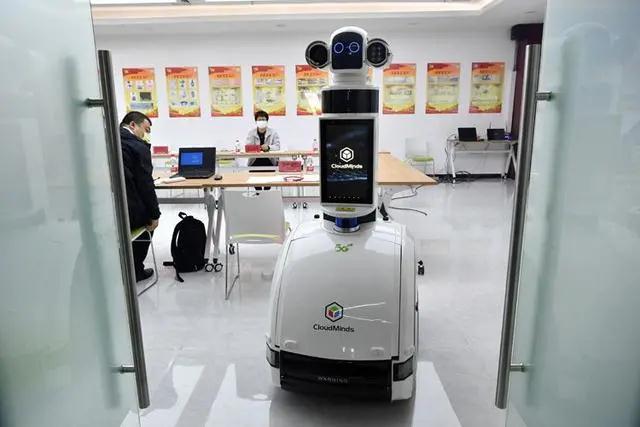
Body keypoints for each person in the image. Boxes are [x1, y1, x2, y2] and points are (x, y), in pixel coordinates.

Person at [120, 111, 160, 282]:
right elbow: (145, 185)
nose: (146, 134)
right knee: (148, 225)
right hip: (130, 209)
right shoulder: (137, 147)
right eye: (146, 129)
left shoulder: (109, 139)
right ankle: (136, 271)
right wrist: (155, 215)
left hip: (111, 207)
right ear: (133, 125)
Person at [245, 110, 281, 190]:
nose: (261, 121)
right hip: (255, 161)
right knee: (256, 183)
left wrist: (268, 147)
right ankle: (259, 194)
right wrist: (257, 148)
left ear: (267, 121)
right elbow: (248, 147)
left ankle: (266, 194)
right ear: (256, 121)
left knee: (268, 183)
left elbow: (277, 147)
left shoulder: (273, 133)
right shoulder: (251, 133)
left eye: (263, 119)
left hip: (269, 161)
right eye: (259, 119)